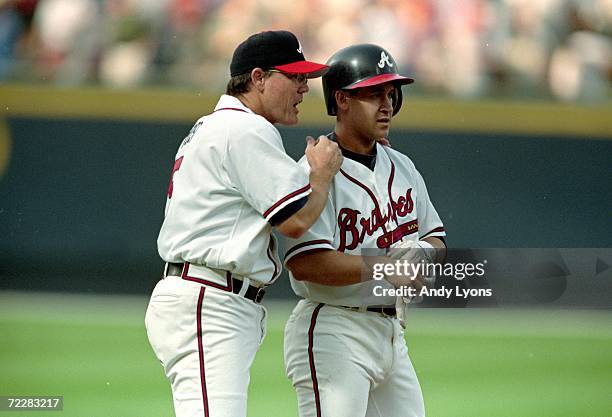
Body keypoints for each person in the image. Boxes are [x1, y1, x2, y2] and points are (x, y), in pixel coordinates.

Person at [145, 30, 343, 417]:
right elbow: (296, 221)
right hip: (210, 298)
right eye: (295, 76)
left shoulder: (215, 125)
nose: (305, 88)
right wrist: (321, 175)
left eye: (306, 78)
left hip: (209, 295)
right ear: (258, 78)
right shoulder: (244, 128)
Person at [283, 44, 447, 417]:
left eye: (390, 93)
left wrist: (423, 253)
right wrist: (386, 266)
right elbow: (306, 263)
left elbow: (437, 238)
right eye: (373, 93)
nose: (386, 103)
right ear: (341, 99)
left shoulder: (402, 165)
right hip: (334, 329)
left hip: (392, 332)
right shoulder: (316, 169)